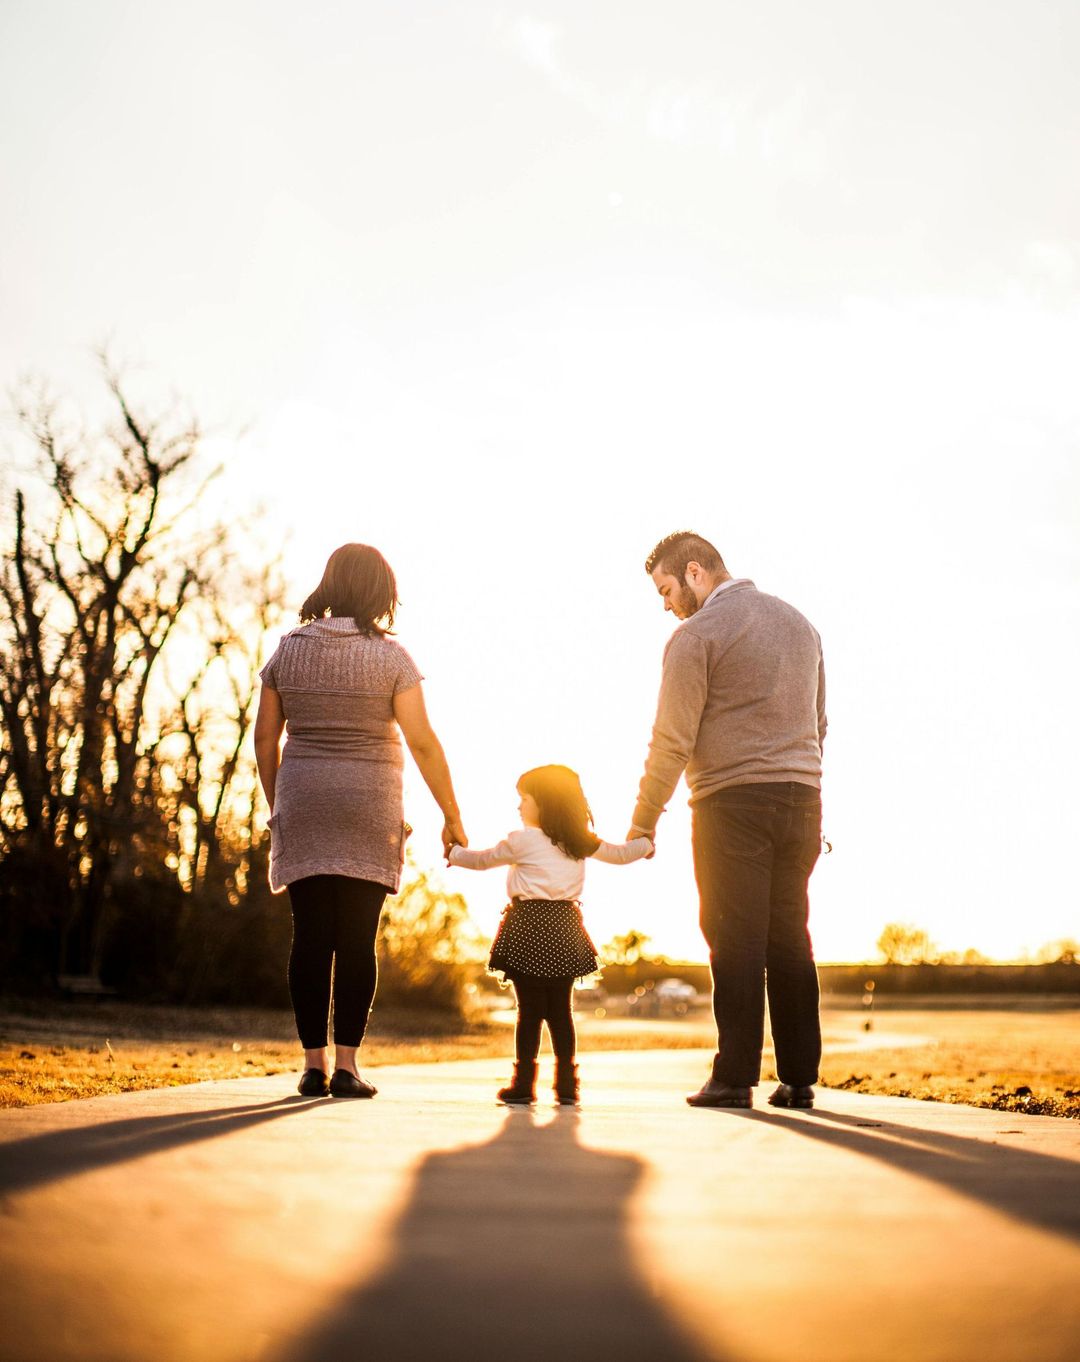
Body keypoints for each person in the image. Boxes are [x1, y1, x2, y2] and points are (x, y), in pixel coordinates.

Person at [254, 543, 467, 1100]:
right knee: (356, 939)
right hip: (369, 806)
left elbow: (264, 738)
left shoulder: (288, 650)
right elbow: (421, 742)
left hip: (303, 800)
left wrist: (281, 805)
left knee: (310, 937)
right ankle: (347, 1066)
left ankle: (311, 1065)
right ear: (380, 591)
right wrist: (451, 813)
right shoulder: (393, 658)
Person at [627, 531, 826, 1110]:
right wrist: (801, 778)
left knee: (734, 939)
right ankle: (798, 1079)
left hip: (731, 803)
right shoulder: (801, 625)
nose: (666, 605)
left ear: (694, 572)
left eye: (666, 590)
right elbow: (819, 722)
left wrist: (643, 823)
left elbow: (672, 740)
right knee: (790, 937)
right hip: (802, 799)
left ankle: (734, 1077)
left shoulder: (696, 636)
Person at [448, 764, 652, 1105]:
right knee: (561, 1011)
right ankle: (567, 1085)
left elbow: (481, 860)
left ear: (543, 802)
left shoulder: (522, 840)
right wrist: (645, 844)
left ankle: (524, 1084)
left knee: (528, 1012)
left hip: (528, 926)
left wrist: (453, 852)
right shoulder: (577, 841)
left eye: (523, 799)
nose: (518, 806)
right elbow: (619, 855)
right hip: (564, 928)